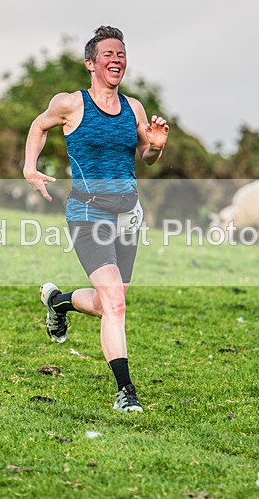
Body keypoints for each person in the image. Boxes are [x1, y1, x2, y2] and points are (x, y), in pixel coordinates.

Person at [23, 26, 170, 410]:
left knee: (110, 303)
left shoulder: (134, 108)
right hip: (87, 213)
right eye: (108, 54)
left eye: (121, 53)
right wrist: (29, 167)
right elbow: (39, 125)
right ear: (91, 63)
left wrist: (155, 145)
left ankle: (59, 302)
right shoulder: (71, 104)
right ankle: (126, 393)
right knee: (116, 304)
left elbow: (146, 158)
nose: (117, 59)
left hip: (128, 216)